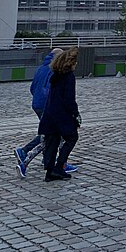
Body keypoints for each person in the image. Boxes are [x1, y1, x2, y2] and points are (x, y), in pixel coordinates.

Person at [14, 47, 78, 178]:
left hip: (39, 104)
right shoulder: (56, 70)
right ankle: (27, 154)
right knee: (49, 137)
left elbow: (32, 87)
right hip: (49, 107)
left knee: (51, 137)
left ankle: (51, 163)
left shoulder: (41, 68)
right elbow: (63, 96)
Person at [38, 47, 81, 182]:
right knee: (72, 138)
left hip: (50, 114)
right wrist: (75, 114)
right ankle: (58, 167)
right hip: (61, 116)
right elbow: (69, 99)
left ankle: (50, 171)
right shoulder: (69, 77)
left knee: (52, 142)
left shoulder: (56, 75)